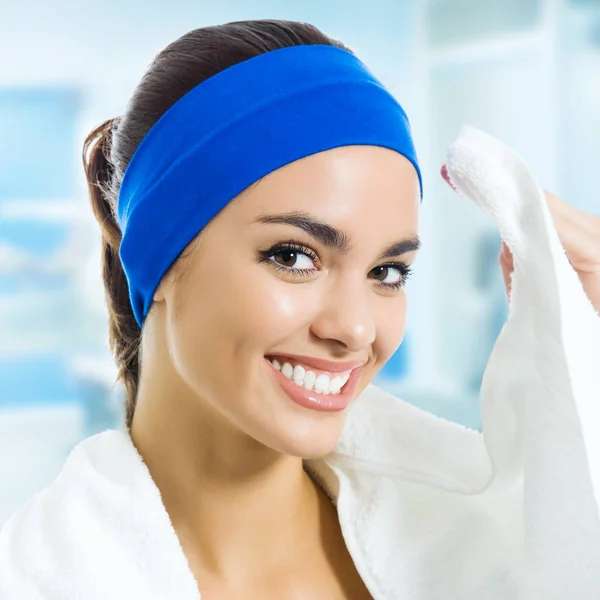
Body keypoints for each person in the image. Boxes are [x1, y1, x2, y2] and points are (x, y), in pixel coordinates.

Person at [1, 19, 599, 600]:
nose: (355, 328)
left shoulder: (487, 552)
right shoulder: (34, 579)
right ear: (159, 254)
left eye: (387, 273)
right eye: (293, 255)